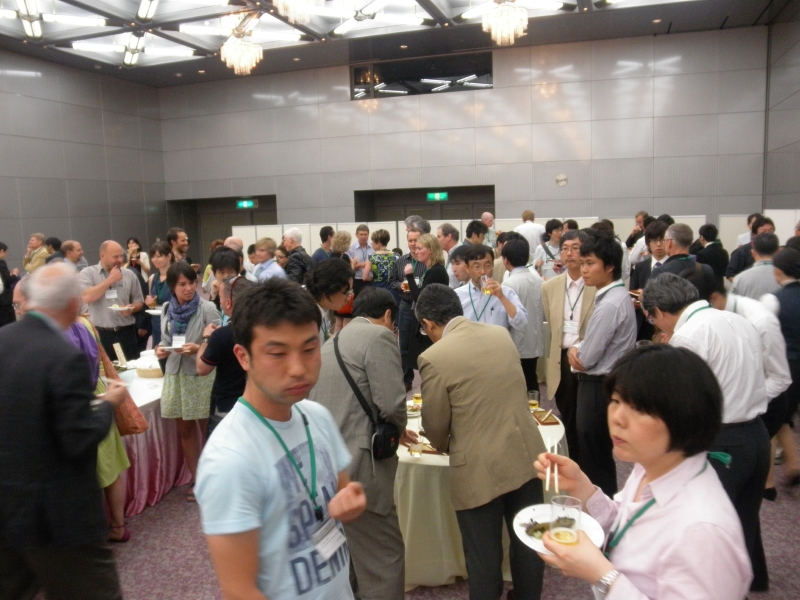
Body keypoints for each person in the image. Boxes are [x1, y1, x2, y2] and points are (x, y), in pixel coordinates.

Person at [534, 345, 751, 600]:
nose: (617, 418)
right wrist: (581, 487)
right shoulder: (652, 466)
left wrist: (602, 575)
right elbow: (626, 524)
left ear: (685, 416)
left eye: (639, 409)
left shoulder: (703, 532)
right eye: (616, 401)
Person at [195, 278, 367, 600]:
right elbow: (239, 591)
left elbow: (343, 491)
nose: (298, 368)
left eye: (310, 349)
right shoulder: (230, 458)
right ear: (243, 357)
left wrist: (351, 501)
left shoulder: (316, 415)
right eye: (277, 354)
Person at [0, 262, 127, 600]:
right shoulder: (63, 356)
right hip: (57, 517)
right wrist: (108, 405)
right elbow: (77, 439)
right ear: (73, 304)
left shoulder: (3, 339)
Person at [416, 284, 546, 600]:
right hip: (525, 452)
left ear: (428, 324)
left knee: (483, 557)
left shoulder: (433, 357)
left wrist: (446, 445)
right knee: (529, 541)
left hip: (477, 467)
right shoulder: (500, 335)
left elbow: (435, 425)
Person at [641, 273, 770, 592]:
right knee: (743, 521)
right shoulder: (736, 320)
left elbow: (680, 402)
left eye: (653, 319)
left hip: (720, 441)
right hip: (757, 435)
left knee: (710, 533)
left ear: (659, 311)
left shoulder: (689, 335)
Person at [311, 287, 409, 600]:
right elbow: (392, 404)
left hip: (329, 467)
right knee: (384, 559)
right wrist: (399, 428)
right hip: (364, 468)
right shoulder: (379, 337)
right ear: (388, 316)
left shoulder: (330, 344)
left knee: (349, 559)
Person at [684, 268, 793, 502]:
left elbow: (781, 378)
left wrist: (745, 396)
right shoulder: (712, 321)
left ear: (713, 298)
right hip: (726, 416)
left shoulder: (760, 321)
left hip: (763, 403)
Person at [568, 230, 636, 496]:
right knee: (597, 456)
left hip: (597, 386)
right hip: (605, 383)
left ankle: (600, 513)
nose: (583, 270)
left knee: (594, 459)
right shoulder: (615, 296)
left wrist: (574, 350)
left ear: (609, 267)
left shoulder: (610, 304)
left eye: (590, 263)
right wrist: (578, 347)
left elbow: (586, 359)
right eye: (582, 263)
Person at [155, 262, 221, 502]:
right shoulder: (166, 308)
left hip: (200, 374)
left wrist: (198, 348)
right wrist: (160, 349)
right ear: (172, 286)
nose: (189, 288)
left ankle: (215, 479)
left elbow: (218, 342)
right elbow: (165, 339)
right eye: (182, 284)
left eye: (192, 282)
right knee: (184, 430)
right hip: (175, 373)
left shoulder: (207, 308)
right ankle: (197, 478)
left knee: (206, 429)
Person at [542, 229, 596, 466]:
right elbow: (552, 325)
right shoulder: (550, 287)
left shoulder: (596, 285)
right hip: (561, 359)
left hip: (588, 360)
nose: (569, 253)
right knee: (567, 416)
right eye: (564, 248)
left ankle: (587, 467)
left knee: (587, 421)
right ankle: (572, 464)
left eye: (575, 248)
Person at [197, 276, 255, 436]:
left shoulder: (222, 335)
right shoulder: (263, 329)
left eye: (221, 297)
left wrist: (206, 338)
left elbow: (202, 368)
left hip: (227, 408)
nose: (220, 302)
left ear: (228, 303)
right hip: (258, 405)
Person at [767, 248, 800, 488]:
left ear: (777, 272)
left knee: (777, 418)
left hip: (787, 366)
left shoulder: (775, 301)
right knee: (784, 418)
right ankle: (794, 463)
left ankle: (767, 482)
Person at [80, 240, 145, 360]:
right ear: (102, 256)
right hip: (101, 333)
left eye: (121, 256)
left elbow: (139, 302)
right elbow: (87, 297)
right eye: (115, 257)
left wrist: (132, 308)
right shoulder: (88, 273)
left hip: (126, 333)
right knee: (105, 369)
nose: (119, 260)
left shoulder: (129, 274)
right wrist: (110, 280)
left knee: (130, 367)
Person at [502, 237, 545, 392]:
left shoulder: (509, 284)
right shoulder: (538, 279)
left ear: (506, 260)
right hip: (535, 339)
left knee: (518, 384)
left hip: (517, 341)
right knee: (531, 379)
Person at [455, 244, 528, 334]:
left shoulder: (506, 292)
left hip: (497, 343)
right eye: (477, 267)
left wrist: (501, 297)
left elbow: (521, 323)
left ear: (493, 266)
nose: (483, 272)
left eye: (487, 266)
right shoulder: (458, 295)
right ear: (467, 268)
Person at [404, 233, 450, 368]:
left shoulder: (436, 271)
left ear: (430, 250)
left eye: (420, 248)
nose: (416, 251)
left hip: (430, 323)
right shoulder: (431, 270)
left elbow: (420, 298)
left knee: (427, 364)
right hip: (427, 321)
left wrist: (410, 276)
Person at [389, 227, 426, 390]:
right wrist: (400, 286)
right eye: (410, 240)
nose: (412, 243)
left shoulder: (426, 261)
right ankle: (406, 379)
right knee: (403, 344)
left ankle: (428, 378)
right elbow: (392, 281)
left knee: (423, 343)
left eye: (416, 240)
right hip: (405, 306)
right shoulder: (401, 261)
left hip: (422, 307)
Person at [630, 220, 669, 340]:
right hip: (643, 324)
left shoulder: (674, 266)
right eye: (654, 240)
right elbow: (633, 291)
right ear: (648, 243)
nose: (658, 245)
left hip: (666, 324)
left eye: (662, 240)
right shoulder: (640, 267)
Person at [305, 258, 354, 344]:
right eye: (346, 292)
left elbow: (325, 334)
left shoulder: (320, 308)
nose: (349, 298)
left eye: (350, 292)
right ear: (328, 289)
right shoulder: (306, 319)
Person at [730, 232, 780, 299]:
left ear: (753, 253)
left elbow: (732, 303)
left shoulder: (740, 279)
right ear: (778, 251)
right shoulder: (786, 276)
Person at [144, 241, 174, 351]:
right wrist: (149, 302)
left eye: (158, 256)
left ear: (169, 256)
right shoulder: (152, 278)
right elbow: (151, 303)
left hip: (172, 320)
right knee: (157, 352)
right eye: (153, 257)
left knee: (171, 352)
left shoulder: (176, 276)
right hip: (156, 322)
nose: (154, 260)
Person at [727, 216, 775, 281]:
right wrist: (743, 285)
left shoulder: (777, 251)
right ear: (754, 234)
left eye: (771, 231)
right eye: (763, 232)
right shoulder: (741, 251)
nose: (768, 234)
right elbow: (730, 274)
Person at [437, 222, 461, 287]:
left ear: (448, 237)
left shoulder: (462, 253)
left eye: (439, 237)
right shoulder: (451, 253)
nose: (437, 240)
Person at [0, 242, 18, 327]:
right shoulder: (1, 263)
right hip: (4, 300)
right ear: (1, 251)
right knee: (9, 324)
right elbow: (7, 281)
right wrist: (15, 274)